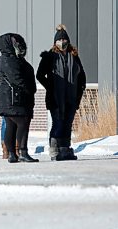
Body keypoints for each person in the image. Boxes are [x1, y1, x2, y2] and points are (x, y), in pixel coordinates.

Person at [36, 25, 86, 161]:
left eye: (64, 39)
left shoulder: (74, 57)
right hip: (55, 98)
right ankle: (54, 150)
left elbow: (82, 76)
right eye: (60, 39)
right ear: (55, 42)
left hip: (71, 97)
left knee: (67, 124)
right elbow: (39, 75)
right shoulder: (49, 57)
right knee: (57, 123)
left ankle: (65, 150)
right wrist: (50, 87)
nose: (62, 42)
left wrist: (79, 91)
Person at [0, 34, 38, 163]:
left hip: (10, 99)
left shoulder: (11, 59)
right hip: (14, 99)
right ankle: (22, 152)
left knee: (11, 125)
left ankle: (12, 154)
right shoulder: (9, 60)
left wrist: (1, 91)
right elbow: (17, 79)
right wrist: (28, 90)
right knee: (22, 124)